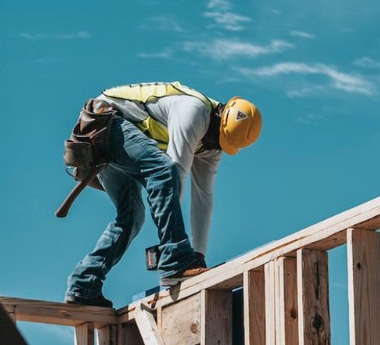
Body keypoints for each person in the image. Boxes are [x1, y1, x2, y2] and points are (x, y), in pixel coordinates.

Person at [64, 81, 262, 308]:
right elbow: (173, 174)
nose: (212, 146)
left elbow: (203, 199)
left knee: (131, 218)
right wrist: (175, 254)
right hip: (104, 122)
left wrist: (199, 256)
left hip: (117, 137)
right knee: (163, 170)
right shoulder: (194, 111)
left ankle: (83, 285)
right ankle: (175, 259)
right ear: (219, 116)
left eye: (220, 144)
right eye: (215, 138)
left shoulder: (211, 145)